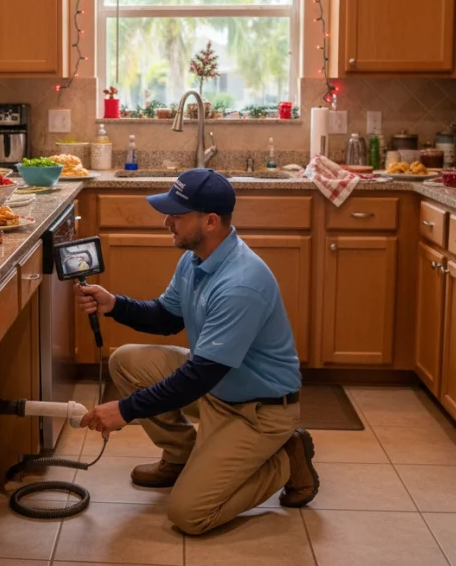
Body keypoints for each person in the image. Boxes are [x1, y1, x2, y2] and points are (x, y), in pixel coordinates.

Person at [77, 168, 319, 535]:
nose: (166, 223)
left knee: (189, 514)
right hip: (218, 388)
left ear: (210, 221)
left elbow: (199, 376)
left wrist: (125, 410)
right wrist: (116, 305)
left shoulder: (241, 283)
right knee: (126, 360)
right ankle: (181, 457)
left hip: (259, 410)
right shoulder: (196, 258)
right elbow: (166, 317)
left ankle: (286, 457)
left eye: (176, 215)